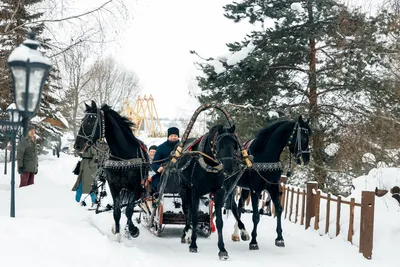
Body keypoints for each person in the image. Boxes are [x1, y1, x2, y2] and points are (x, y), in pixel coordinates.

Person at [150, 127, 179, 194]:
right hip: (163, 174)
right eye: (171, 136)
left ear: (178, 137)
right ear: (168, 136)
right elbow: (154, 163)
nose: (173, 137)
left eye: (175, 136)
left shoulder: (183, 147)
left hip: (180, 175)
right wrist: (158, 168)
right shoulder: (161, 147)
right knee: (156, 185)